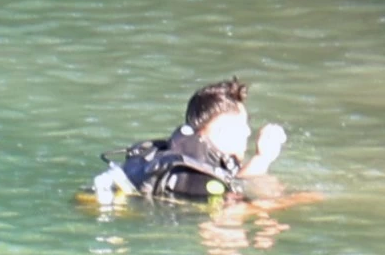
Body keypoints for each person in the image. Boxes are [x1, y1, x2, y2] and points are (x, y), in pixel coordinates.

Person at [94, 80, 287, 204]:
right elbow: (243, 207)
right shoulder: (196, 175)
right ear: (222, 132)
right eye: (243, 124)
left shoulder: (188, 152)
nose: (247, 132)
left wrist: (263, 158)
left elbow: (234, 180)